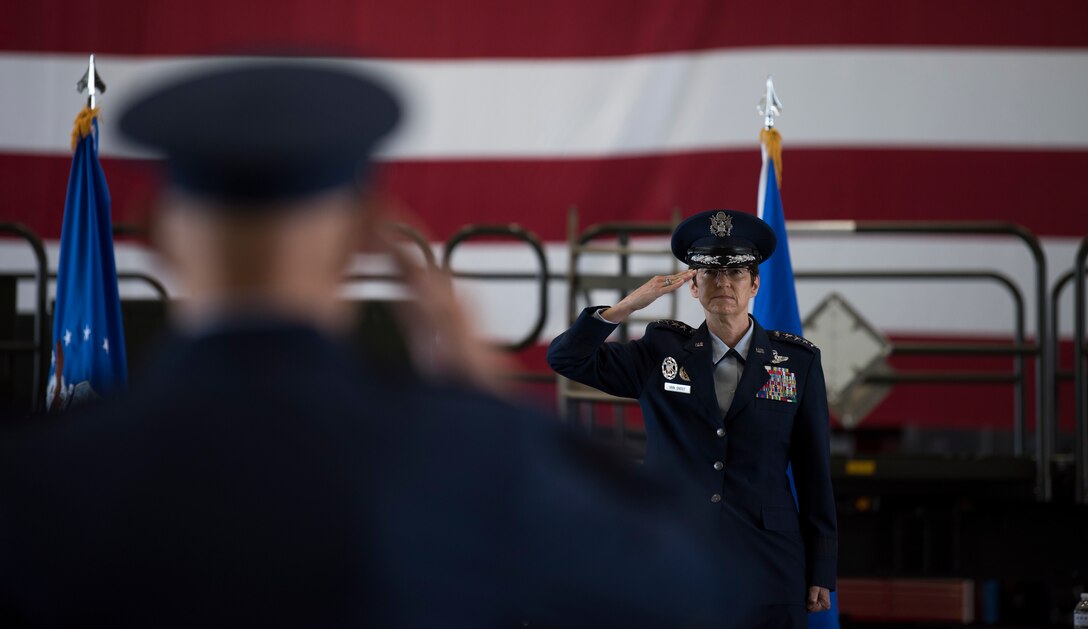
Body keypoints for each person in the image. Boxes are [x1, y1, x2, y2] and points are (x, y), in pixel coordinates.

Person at [0, 63, 758, 627]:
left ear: (158, 235)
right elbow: (696, 586)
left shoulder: (38, 475)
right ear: (364, 237)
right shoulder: (476, 459)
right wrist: (495, 404)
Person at [548, 209, 838, 628]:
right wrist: (629, 305)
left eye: (736, 273)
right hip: (675, 559)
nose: (723, 283)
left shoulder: (797, 362)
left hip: (769, 564)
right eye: (710, 274)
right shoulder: (659, 353)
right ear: (693, 286)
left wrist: (822, 568)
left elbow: (814, 472)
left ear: (755, 284)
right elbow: (565, 358)